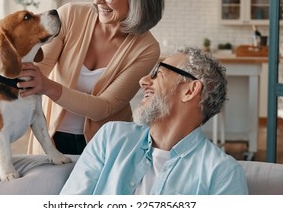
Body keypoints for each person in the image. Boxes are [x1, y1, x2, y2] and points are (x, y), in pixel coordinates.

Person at [0, 0, 165, 155]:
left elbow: (103, 108)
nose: (97, 0)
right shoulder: (70, 15)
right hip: (50, 137)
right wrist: (3, 51)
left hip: (107, 146)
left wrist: (48, 87)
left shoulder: (147, 49)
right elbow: (36, 68)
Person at [60, 47, 249, 195]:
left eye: (158, 72)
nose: (143, 80)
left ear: (190, 91)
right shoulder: (110, 139)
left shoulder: (222, 173)